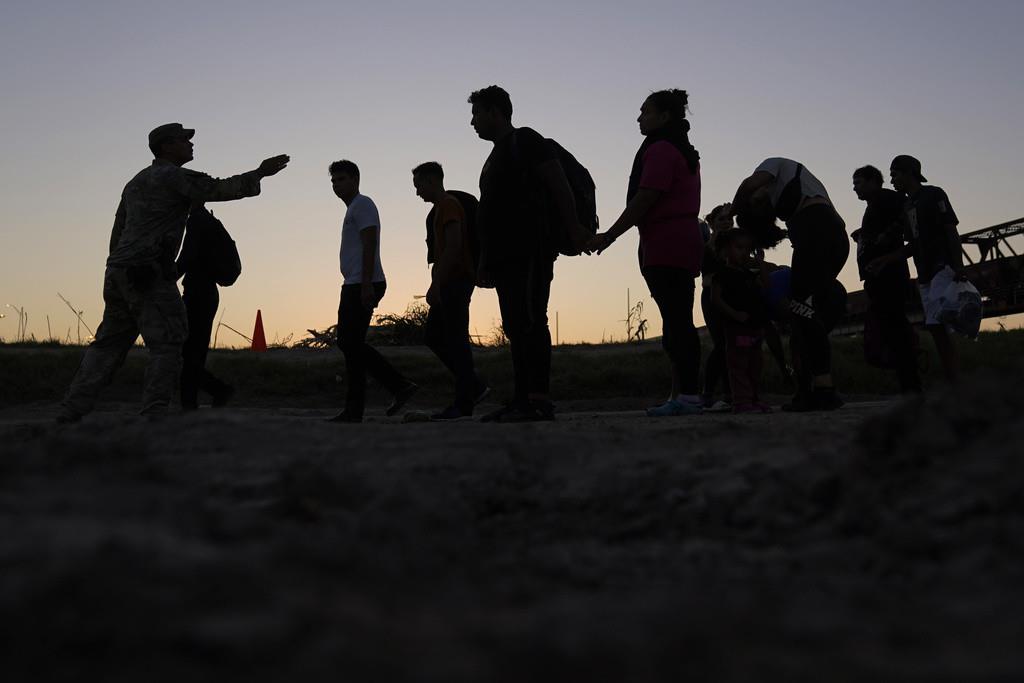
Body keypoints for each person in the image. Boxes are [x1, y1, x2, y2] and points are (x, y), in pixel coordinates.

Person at [57, 123, 289, 422]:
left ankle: (72, 409)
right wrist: (259, 173)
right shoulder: (173, 177)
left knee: (107, 345)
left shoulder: (135, 182)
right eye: (184, 140)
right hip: (148, 274)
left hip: (119, 271)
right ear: (166, 146)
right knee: (168, 343)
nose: (191, 144)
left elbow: (118, 231)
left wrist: (119, 266)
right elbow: (219, 189)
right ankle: (154, 412)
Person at [468, 85, 591, 422]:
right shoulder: (494, 157)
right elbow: (490, 214)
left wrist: (576, 229)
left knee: (531, 320)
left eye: (477, 114)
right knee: (515, 324)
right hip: (504, 256)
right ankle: (521, 398)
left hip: (531, 248)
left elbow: (558, 184)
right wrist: (484, 261)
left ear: (495, 111)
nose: (473, 122)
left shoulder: (526, 140)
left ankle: (537, 399)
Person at [592, 89, 704, 417]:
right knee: (677, 318)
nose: (639, 117)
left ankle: (688, 396)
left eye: (645, 111)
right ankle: (681, 395)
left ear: (664, 116)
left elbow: (645, 199)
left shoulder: (660, 150)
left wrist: (610, 235)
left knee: (677, 322)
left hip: (668, 241)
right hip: (674, 239)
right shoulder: (680, 150)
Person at [731, 157, 849, 411]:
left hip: (818, 230)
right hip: (834, 237)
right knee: (806, 316)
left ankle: (823, 390)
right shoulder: (793, 204)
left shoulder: (775, 165)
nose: (757, 199)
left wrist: (733, 211)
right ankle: (812, 389)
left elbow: (748, 185)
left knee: (803, 312)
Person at [327, 160, 418, 423]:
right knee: (351, 344)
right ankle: (357, 407)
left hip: (363, 282)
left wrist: (366, 283)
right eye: (333, 181)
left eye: (341, 179)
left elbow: (370, 242)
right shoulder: (353, 208)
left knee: (349, 342)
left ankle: (397, 386)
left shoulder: (363, 204)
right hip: (355, 282)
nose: (336, 185)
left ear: (355, 179)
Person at [871, 155, 964, 382]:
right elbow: (912, 246)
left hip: (943, 267)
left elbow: (950, 229)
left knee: (943, 325)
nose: (891, 180)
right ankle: (954, 382)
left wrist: (959, 266)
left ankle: (957, 382)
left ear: (908, 172)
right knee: (935, 328)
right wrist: (885, 260)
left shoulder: (934, 194)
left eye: (894, 174)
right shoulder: (907, 206)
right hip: (924, 273)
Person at [411, 161, 489, 420]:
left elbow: (454, 247)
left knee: (456, 341)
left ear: (432, 181)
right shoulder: (437, 211)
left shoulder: (448, 206)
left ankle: (464, 403)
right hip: (448, 282)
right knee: (434, 336)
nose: (417, 192)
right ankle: (474, 386)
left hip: (456, 281)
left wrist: (437, 283)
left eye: (419, 185)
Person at [851, 164, 921, 392]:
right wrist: (865, 236)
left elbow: (906, 218)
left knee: (895, 328)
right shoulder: (876, 204)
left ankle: (911, 385)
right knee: (891, 329)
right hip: (880, 276)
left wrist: (884, 237)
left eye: (858, 183)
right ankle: (908, 384)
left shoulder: (886, 198)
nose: (855, 189)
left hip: (888, 275)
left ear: (873, 180)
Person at [176, 204, 235, 410]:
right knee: (193, 350)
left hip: (198, 293)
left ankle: (211, 392)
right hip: (205, 292)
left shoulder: (196, 221)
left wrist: (166, 276)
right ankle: (192, 401)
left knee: (186, 350)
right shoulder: (208, 221)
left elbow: (187, 257)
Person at [713, 229, 772, 413]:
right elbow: (715, 299)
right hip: (736, 328)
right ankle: (741, 401)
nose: (744, 253)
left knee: (755, 365)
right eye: (739, 248)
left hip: (755, 327)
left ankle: (754, 398)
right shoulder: (722, 274)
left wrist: (760, 263)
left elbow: (767, 286)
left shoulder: (748, 273)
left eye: (747, 249)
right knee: (738, 365)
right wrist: (735, 314)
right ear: (725, 251)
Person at [699, 203, 733, 412]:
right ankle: (708, 392)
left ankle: (731, 392)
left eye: (730, 219)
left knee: (732, 345)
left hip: (734, 297)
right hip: (712, 298)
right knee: (722, 344)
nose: (727, 222)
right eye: (722, 219)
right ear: (711, 223)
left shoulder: (738, 245)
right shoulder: (707, 247)